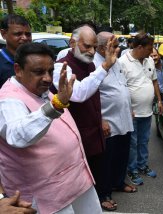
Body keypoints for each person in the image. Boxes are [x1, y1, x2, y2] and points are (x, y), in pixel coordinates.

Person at [0, 43, 102, 214]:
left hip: (75, 180)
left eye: (50, 71)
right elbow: (18, 135)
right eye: (39, 72)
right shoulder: (8, 99)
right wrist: (55, 105)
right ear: (18, 70)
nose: (47, 78)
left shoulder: (37, 88)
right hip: (46, 194)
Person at [51, 26, 119, 210]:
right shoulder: (60, 67)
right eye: (87, 46)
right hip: (73, 139)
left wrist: (101, 119)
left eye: (94, 47)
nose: (91, 52)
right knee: (78, 188)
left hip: (93, 134)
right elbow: (78, 93)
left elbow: (95, 97)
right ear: (73, 43)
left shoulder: (90, 65)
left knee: (94, 179)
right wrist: (105, 66)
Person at [93, 31, 136, 211]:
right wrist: (100, 119)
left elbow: (122, 85)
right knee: (105, 160)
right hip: (107, 121)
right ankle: (103, 194)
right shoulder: (94, 64)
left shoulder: (116, 61)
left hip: (123, 118)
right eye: (115, 45)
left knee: (121, 154)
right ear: (103, 47)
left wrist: (129, 107)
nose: (119, 49)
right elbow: (91, 95)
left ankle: (118, 182)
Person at [119, 33, 163, 185]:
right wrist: (128, 108)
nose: (152, 52)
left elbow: (155, 82)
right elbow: (120, 88)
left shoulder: (149, 60)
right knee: (132, 143)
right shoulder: (123, 62)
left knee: (144, 141)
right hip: (131, 113)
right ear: (139, 47)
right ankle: (132, 170)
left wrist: (159, 100)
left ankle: (142, 165)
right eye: (149, 48)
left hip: (147, 111)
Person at [0, 14, 31, 87]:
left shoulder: (34, 60)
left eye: (28, 34)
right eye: (18, 34)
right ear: (3, 34)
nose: (25, 38)